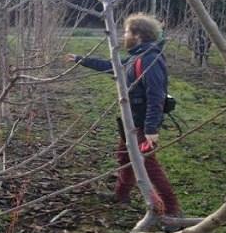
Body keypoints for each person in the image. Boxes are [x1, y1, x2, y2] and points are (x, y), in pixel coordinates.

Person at [65, 13, 180, 220]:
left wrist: (151, 129)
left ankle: (172, 211)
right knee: (124, 156)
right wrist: (81, 60)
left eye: (127, 31)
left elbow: (156, 96)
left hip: (143, 125)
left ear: (138, 35)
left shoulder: (150, 59)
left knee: (148, 165)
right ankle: (121, 195)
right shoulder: (137, 56)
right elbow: (113, 67)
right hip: (131, 121)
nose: (124, 34)